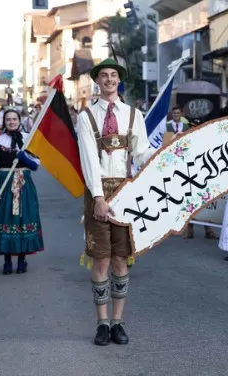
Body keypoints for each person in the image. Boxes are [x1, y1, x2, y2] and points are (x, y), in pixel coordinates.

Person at [76, 58, 154, 346]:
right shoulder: (86, 116)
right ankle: (102, 323)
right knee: (101, 259)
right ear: (97, 81)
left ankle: (119, 322)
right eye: (104, 76)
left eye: (114, 75)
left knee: (121, 259)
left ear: (119, 81)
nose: (109, 80)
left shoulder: (133, 114)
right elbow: (88, 160)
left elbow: (143, 153)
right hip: (98, 191)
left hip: (126, 191)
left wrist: (168, 156)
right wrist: (98, 197)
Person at [0, 109, 44, 274]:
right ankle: (7, 261)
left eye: (14, 119)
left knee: (22, 220)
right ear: (4, 122)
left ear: (19, 120)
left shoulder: (28, 139)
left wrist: (23, 157)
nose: (11, 122)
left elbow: (35, 165)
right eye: (8, 119)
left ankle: (22, 260)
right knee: (6, 220)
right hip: (4, 184)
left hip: (24, 185)